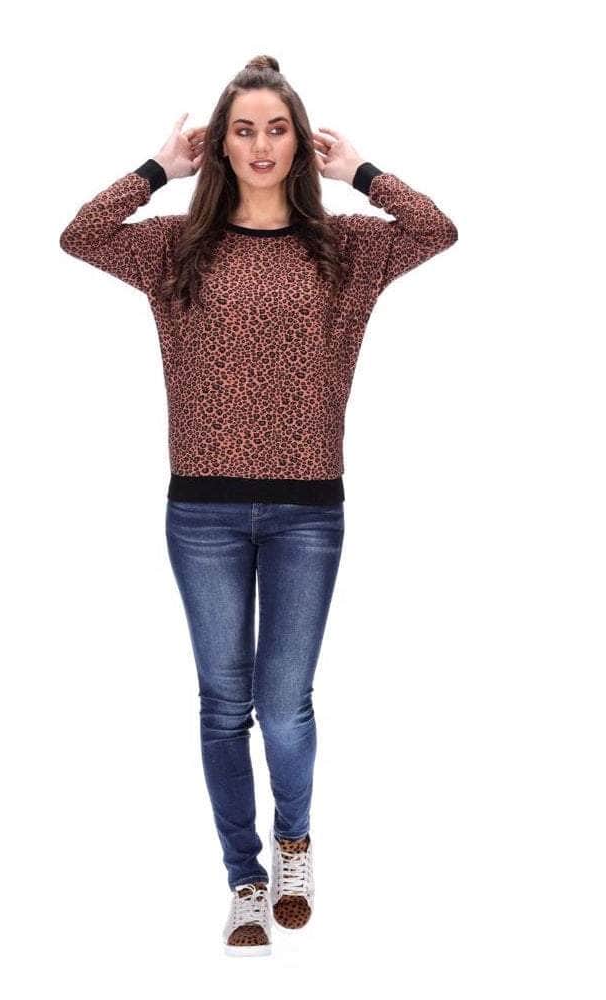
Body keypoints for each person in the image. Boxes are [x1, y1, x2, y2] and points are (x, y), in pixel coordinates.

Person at [59, 53, 458, 957]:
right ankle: (243, 879)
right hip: (201, 512)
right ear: (222, 144)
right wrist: (161, 166)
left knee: (284, 708)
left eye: (278, 129)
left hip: (307, 512)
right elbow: (80, 235)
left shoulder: (345, 249)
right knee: (220, 706)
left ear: (300, 141)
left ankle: (294, 844)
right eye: (243, 130)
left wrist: (360, 171)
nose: (261, 145)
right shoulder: (176, 247)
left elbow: (436, 229)